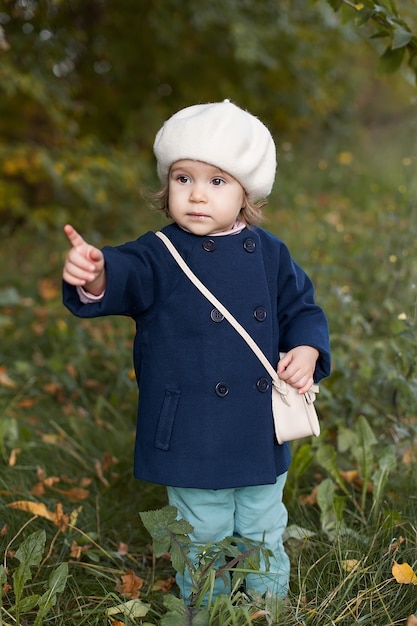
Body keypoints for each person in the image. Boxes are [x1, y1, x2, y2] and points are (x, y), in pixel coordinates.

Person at [62, 100, 331, 602]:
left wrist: (308, 350)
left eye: (217, 181)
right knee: (201, 531)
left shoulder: (270, 253)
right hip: (191, 427)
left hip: (259, 427)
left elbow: (302, 309)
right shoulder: (158, 254)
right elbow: (122, 276)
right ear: (167, 186)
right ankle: (204, 608)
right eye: (183, 178)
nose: (197, 195)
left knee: (263, 522)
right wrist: (95, 273)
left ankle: (266, 606)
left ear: (246, 191)